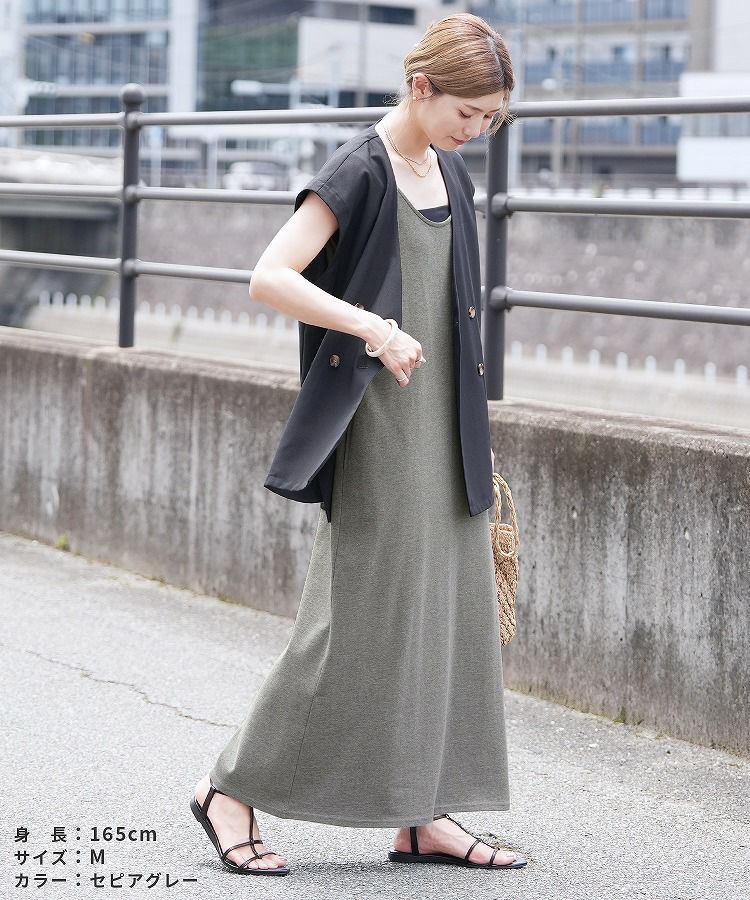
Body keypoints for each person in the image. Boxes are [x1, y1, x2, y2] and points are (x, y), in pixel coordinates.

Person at [190, 12, 527, 876]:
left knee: (447, 617)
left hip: (446, 425)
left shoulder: (449, 170)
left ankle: (421, 814)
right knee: (356, 622)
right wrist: (372, 327)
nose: (477, 130)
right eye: (468, 112)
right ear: (421, 86)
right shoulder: (360, 171)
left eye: (490, 118)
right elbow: (270, 276)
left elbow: (456, 317)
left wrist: (475, 430)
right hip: (377, 425)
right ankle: (228, 788)